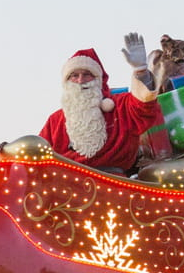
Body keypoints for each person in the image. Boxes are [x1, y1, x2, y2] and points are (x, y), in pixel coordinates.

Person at [38, 33, 160, 173]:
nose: (80, 80)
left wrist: (141, 71)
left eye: (87, 74)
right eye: (74, 75)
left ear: (98, 79)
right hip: (67, 186)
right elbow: (36, 153)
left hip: (113, 184)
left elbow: (144, 107)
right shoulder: (56, 120)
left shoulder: (120, 106)